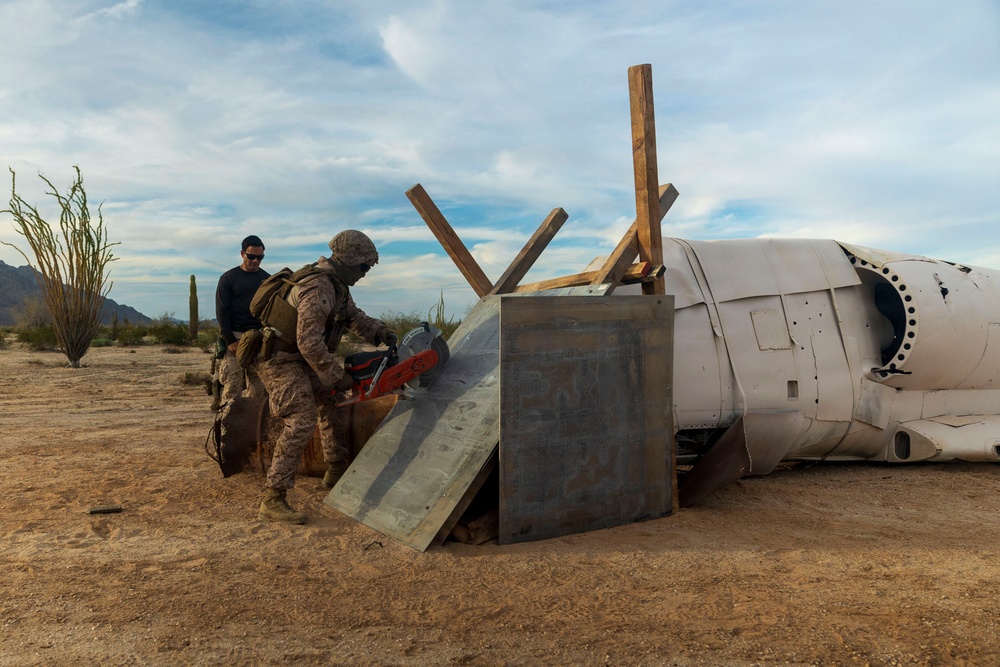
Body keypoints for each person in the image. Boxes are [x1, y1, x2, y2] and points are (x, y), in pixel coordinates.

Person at [255, 230, 395, 524]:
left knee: (332, 403)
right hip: (280, 360)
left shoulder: (337, 285)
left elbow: (353, 316)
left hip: (301, 357)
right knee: (301, 419)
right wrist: (336, 375)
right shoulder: (318, 287)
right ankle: (273, 497)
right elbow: (308, 342)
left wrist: (378, 331)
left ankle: (336, 470)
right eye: (363, 268)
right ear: (348, 261)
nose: (364, 274)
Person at [214, 235, 270, 407]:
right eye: (251, 256)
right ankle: (227, 427)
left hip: (259, 336)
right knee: (233, 384)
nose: (255, 260)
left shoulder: (267, 279)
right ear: (242, 253)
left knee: (258, 385)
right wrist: (230, 340)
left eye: (259, 257)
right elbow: (221, 310)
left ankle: (252, 426)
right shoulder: (228, 278)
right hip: (236, 335)